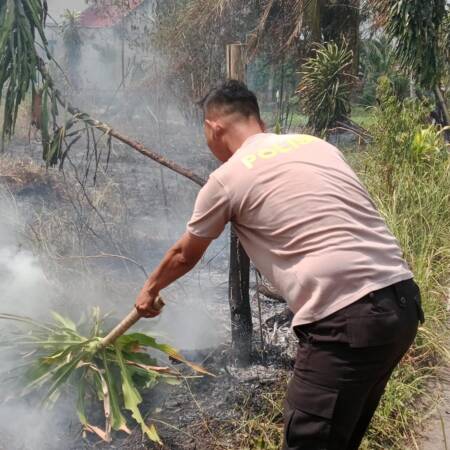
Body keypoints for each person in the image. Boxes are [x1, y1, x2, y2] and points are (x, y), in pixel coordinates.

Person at [134, 80, 424, 449]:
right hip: (401, 307)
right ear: (259, 119)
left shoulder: (226, 178)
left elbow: (182, 255)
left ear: (213, 127)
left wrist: (149, 289)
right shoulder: (315, 145)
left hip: (346, 322)